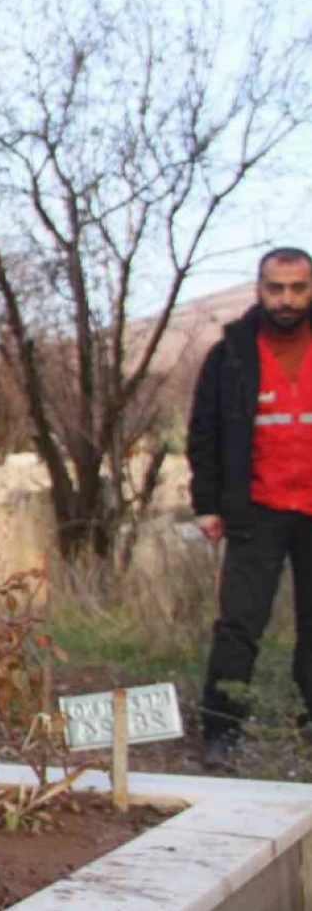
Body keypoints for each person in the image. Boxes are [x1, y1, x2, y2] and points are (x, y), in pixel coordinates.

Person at [189, 246, 312, 771]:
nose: (287, 299)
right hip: (255, 510)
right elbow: (205, 431)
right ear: (259, 289)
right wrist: (207, 504)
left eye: (298, 287)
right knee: (239, 625)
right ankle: (221, 731)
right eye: (275, 288)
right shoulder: (231, 354)